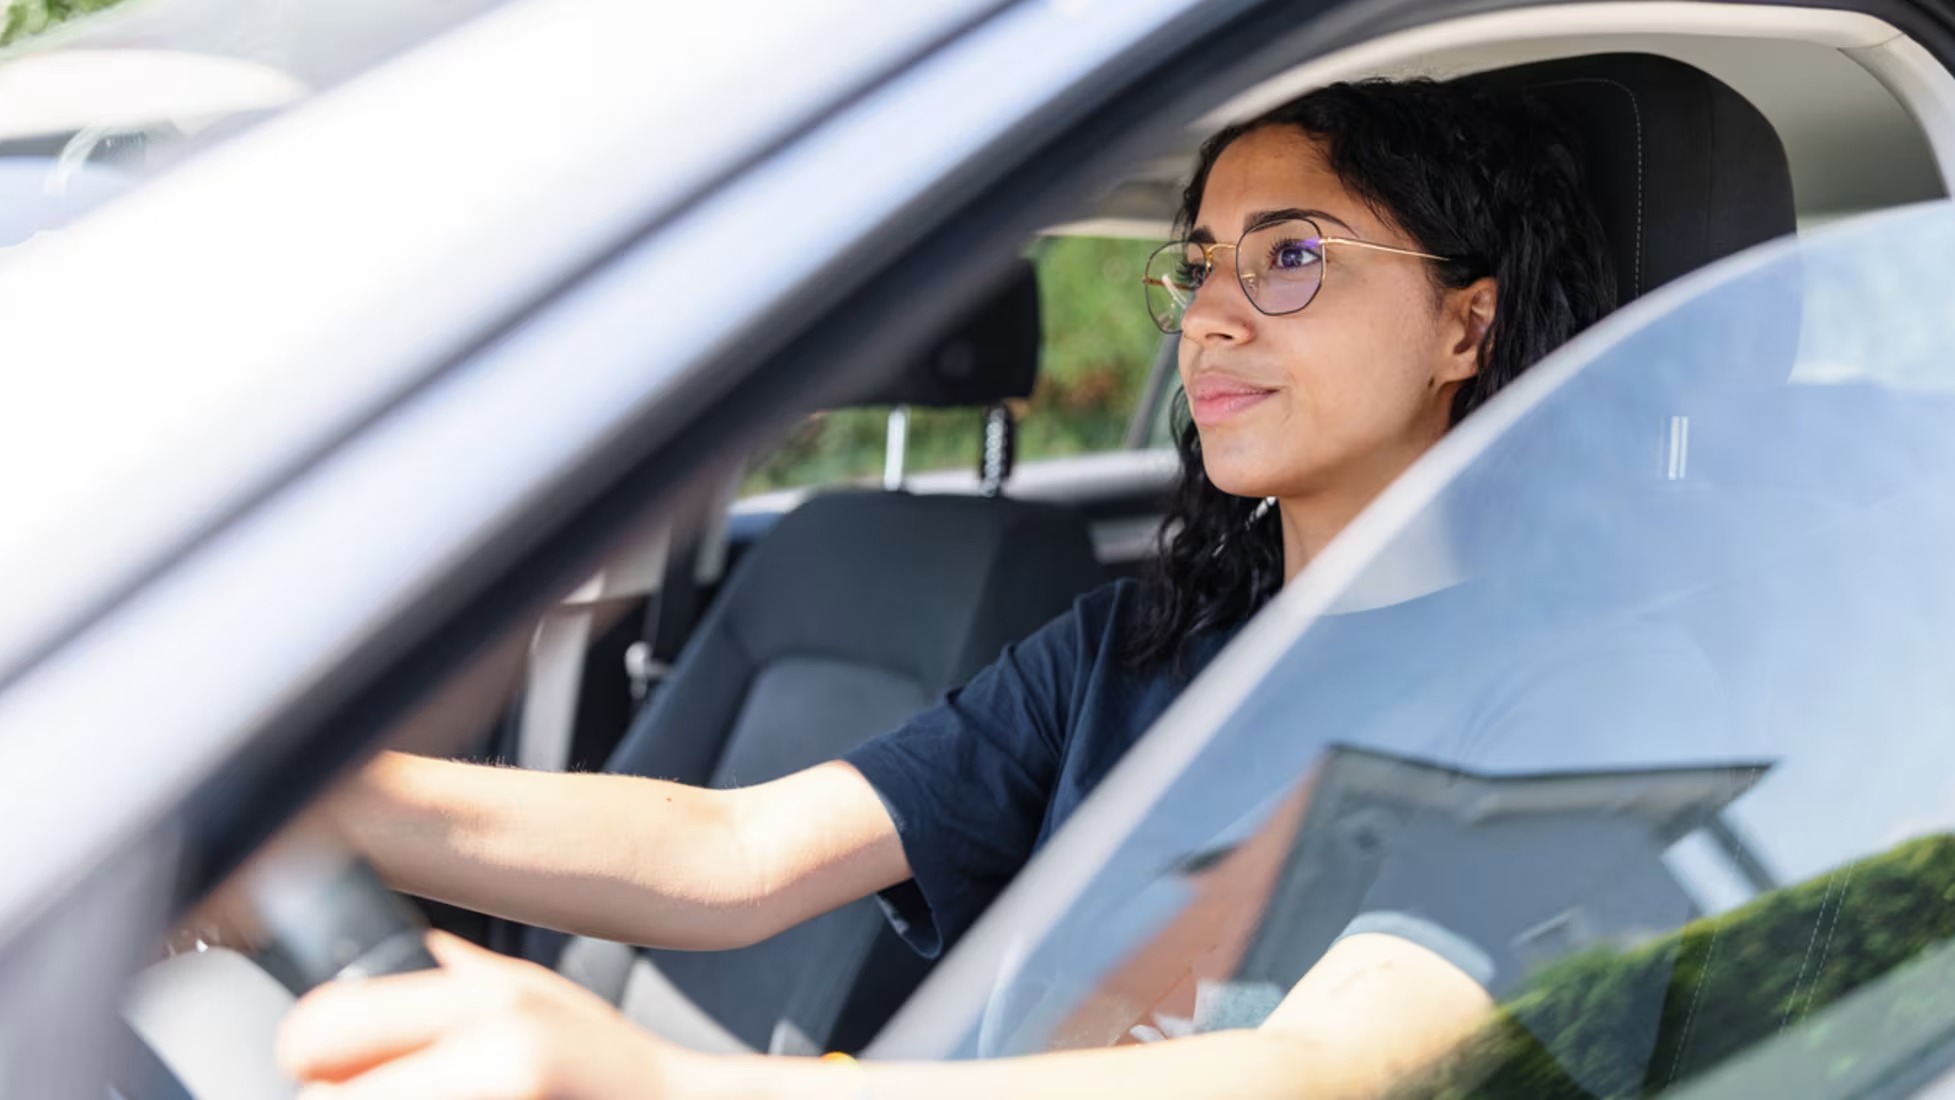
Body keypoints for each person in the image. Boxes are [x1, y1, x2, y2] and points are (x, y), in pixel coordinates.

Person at [274, 76, 1644, 1099]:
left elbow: (1331, 1069)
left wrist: (671, 1083)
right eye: (1199, 266)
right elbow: (738, 854)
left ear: (1466, 324)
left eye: (1291, 257)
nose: (1211, 317)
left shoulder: (1584, 695)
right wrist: (298, 815)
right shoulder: (1129, 646)